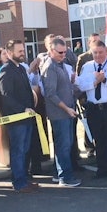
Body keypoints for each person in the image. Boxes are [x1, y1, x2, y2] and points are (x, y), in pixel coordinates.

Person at [76, 40, 107, 179]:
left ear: (106, 52)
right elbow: (81, 86)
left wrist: (104, 80)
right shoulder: (87, 67)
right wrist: (95, 82)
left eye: (101, 52)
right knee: (99, 140)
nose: (98, 55)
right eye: (95, 52)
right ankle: (102, 169)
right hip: (94, 109)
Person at [0, 40, 39, 193]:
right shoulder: (6, 70)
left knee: (25, 149)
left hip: (27, 117)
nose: (23, 53)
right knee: (18, 151)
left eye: (23, 50)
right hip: (16, 119)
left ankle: (24, 179)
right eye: (19, 51)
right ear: (9, 53)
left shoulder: (21, 68)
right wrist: (23, 109)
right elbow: (6, 96)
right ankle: (19, 182)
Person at [41, 38, 81, 187]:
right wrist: (66, 108)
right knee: (63, 145)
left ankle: (59, 174)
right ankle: (65, 177)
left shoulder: (61, 64)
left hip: (67, 111)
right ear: (51, 51)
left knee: (65, 144)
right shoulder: (50, 66)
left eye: (65, 52)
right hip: (60, 114)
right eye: (60, 52)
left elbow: (65, 87)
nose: (63, 55)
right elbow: (50, 93)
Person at [75, 33, 101, 158]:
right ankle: (90, 146)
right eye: (94, 41)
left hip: (103, 96)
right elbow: (79, 78)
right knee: (89, 122)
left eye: (98, 41)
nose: (96, 43)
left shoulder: (106, 54)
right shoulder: (83, 58)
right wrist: (81, 97)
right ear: (88, 43)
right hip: (88, 96)